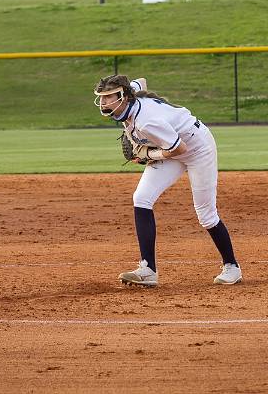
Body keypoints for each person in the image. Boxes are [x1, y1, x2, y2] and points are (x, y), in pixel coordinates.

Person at [93, 74, 242, 286]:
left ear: (123, 97)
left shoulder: (146, 122)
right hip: (172, 146)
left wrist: (149, 155)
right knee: (142, 197)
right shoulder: (130, 95)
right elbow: (141, 81)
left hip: (197, 148)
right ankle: (148, 269)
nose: (104, 102)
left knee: (206, 215)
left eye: (109, 97)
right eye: (102, 97)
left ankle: (232, 267)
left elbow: (180, 149)